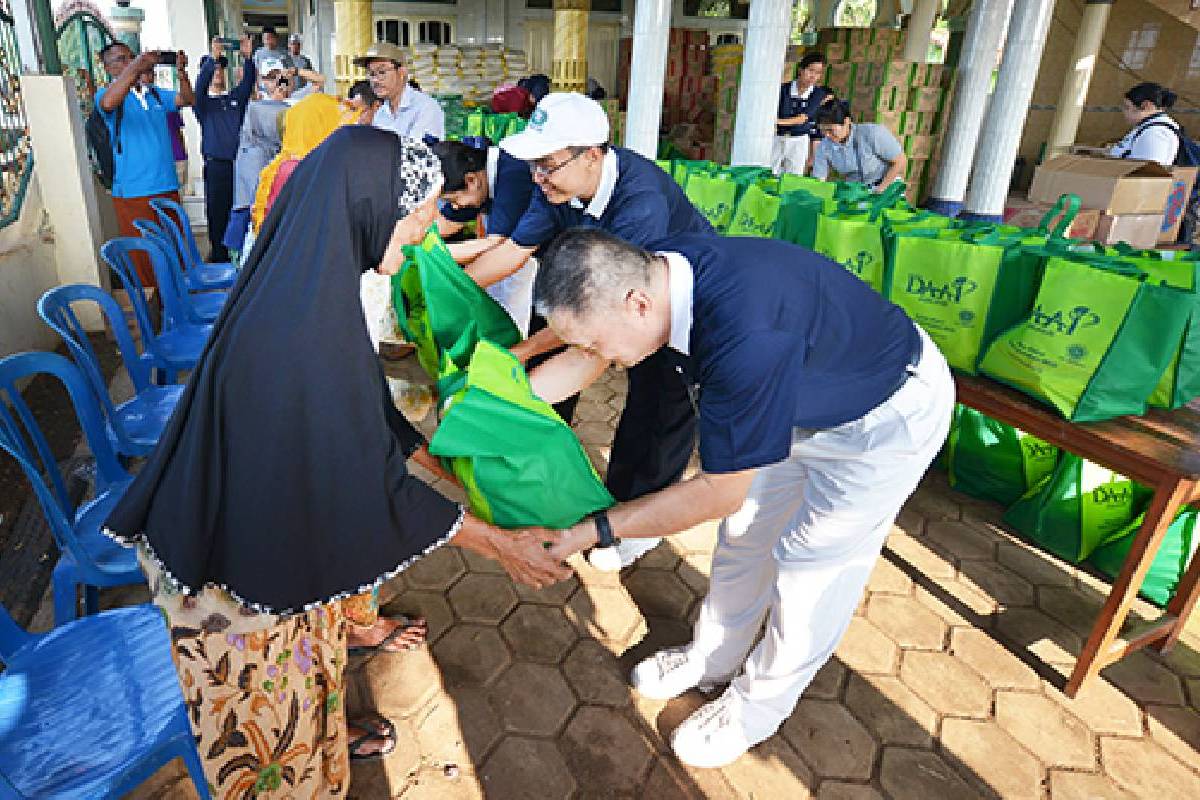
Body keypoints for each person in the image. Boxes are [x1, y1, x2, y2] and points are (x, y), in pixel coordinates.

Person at [104, 127, 570, 791]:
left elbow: (360, 414)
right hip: (235, 591)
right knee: (277, 755)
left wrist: (434, 457)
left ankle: (326, 743)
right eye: (419, 211)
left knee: (313, 692)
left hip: (270, 544)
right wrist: (500, 545)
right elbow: (362, 483)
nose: (424, 230)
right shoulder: (296, 335)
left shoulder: (307, 282)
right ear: (370, 205)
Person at [530, 228, 954, 768]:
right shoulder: (658, 278)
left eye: (594, 342)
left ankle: (758, 707)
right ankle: (712, 659)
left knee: (810, 569)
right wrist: (496, 406)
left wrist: (595, 529)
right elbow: (587, 357)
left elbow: (720, 492)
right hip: (797, 395)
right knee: (746, 536)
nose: (596, 358)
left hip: (879, 417)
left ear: (636, 304)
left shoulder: (744, 336)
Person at [471, 92, 713, 569]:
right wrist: (439, 291)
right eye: (535, 165)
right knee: (622, 398)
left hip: (683, 308)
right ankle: (606, 501)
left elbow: (602, 318)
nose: (538, 178)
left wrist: (518, 356)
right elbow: (512, 252)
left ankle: (638, 528)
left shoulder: (638, 202)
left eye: (548, 165)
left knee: (662, 411)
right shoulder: (559, 187)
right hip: (622, 302)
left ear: (593, 154)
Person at [96, 42, 194, 289]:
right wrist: (138, 63)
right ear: (108, 68)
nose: (130, 62)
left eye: (131, 57)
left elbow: (187, 99)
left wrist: (181, 73)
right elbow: (108, 103)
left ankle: (179, 307)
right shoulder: (107, 95)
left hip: (167, 186)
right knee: (145, 261)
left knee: (174, 254)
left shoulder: (157, 94)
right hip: (133, 193)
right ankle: (156, 318)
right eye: (122, 59)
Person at [431, 139, 538, 333]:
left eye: (454, 200)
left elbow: (497, 245)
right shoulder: (476, 182)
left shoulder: (513, 173)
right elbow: (445, 224)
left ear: (472, 180)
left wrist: (430, 253)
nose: (455, 206)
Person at [224, 58, 324, 258]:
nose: (275, 82)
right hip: (252, 196)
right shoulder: (257, 107)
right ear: (261, 82)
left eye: (278, 76)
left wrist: (296, 71)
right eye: (269, 78)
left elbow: (320, 81)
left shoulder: (295, 100)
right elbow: (276, 126)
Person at [193, 34, 256, 262]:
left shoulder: (234, 99)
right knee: (217, 215)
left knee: (239, 212)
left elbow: (248, 83)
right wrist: (213, 57)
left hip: (238, 166)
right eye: (214, 69)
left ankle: (239, 257)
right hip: (216, 167)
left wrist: (248, 58)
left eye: (220, 69)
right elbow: (198, 88)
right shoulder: (203, 105)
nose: (218, 72)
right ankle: (219, 258)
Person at [354, 42, 444, 140]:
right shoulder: (381, 113)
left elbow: (419, 151)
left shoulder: (425, 107)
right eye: (371, 74)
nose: (375, 80)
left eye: (382, 72)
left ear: (402, 73)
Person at [811, 100, 906, 190]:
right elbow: (819, 179)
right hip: (856, 190)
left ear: (846, 121)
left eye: (830, 130)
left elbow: (900, 161)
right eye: (823, 130)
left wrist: (880, 190)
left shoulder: (872, 133)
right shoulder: (824, 147)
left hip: (887, 184)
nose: (827, 135)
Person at [773, 52, 832, 176]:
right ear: (801, 69)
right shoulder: (783, 89)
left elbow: (803, 118)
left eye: (818, 73)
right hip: (777, 137)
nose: (813, 76)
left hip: (799, 140)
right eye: (811, 70)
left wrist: (775, 122)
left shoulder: (818, 94)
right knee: (770, 171)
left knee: (794, 175)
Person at [1110, 82, 1181, 167]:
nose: (1124, 112)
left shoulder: (1155, 133)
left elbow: (1148, 171)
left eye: (1127, 107)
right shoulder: (1147, 128)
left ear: (1146, 105)